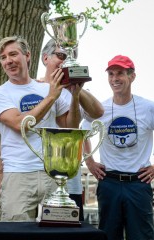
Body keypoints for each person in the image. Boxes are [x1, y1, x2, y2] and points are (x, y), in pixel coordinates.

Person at [0, 36, 83, 221]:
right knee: (17, 235)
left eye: (13, 54)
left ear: (27, 55)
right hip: (18, 176)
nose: (8, 61)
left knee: (55, 234)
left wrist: (76, 95)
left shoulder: (48, 88)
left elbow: (71, 126)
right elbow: (20, 124)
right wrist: (50, 98)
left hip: (53, 175)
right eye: (3, 57)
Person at [84, 55, 154, 239]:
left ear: (132, 76)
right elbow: (82, 133)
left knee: (142, 236)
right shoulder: (101, 109)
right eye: (111, 74)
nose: (115, 79)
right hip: (109, 183)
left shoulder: (148, 107)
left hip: (138, 183)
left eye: (120, 74)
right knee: (108, 235)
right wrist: (89, 161)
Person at [40, 39, 104, 221]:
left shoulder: (79, 92)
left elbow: (98, 112)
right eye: (61, 56)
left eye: (71, 57)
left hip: (71, 180)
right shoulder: (35, 88)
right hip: (38, 176)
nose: (66, 61)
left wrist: (75, 86)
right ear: (45, 58)